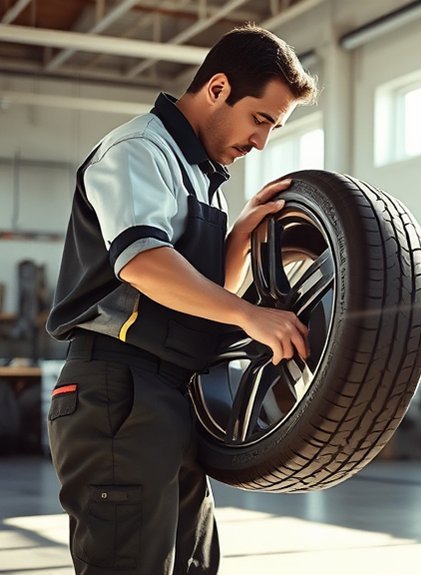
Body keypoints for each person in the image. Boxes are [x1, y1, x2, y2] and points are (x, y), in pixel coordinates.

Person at [45, 24, 317, 574]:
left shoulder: (203, 175)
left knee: (193, 565)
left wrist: (240, 240)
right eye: (260, 119)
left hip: (173, 395)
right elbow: (143, 261)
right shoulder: (139, 150)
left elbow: (203, 296)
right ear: (217, 88)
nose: (262, 141)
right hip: (117, 391)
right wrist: (250, 315)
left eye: (274, 127)